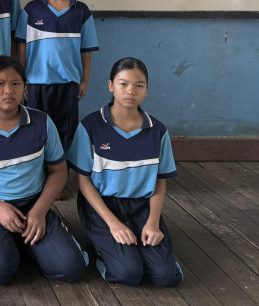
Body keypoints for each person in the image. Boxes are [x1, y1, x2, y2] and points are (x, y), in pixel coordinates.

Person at [0, 56, 87, 285]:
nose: (8, 90)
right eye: (0, 84)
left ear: (25, 88)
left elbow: (59, 171)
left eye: (16, 83)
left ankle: (23, 242)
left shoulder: (42, 122)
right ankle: (7, 244)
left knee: (71, 269)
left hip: (32, 204)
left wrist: (39, 211)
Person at [67, 57, 183, 286]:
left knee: (166, 277)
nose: (131, 91)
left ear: (147, 90)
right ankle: (102, 253)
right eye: (123, 84)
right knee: (128, 273)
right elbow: (83, 181)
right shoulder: (90, 126)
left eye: (139, 85)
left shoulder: (157, 131)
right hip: (102, 206)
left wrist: (153, 222)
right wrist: (113, 223)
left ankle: (163, 259)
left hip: (142, 207)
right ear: (111, 85)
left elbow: (160, 181)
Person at [15, 0, 98, 196]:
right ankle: (37, 180)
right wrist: (22, 80)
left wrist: (85, 79)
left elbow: (86, 50)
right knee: (36, 131)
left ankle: (59, 182)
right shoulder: (31, 10)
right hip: (36, 84)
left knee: (65, 132)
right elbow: (21, 47)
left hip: (68, 84)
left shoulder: (81, 12)